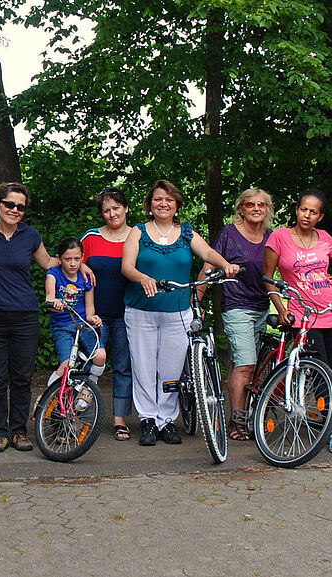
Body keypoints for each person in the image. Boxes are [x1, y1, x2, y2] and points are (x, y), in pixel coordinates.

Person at [122, 179, 238, 446]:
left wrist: (226, 264)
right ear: (150, 205)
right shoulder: (138, 232)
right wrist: (142, 277)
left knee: (172, 369)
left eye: (169, 200)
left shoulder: (186, 232)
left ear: (176, 206)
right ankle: (148, 420)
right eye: (158, 199)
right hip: (142, 311)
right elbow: (127, 267)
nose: (163, 204)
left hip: (178, 312)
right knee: (144, 367)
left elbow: (208, 252)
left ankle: (167, 421)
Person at [0, 182, 64, 453]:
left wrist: (77, 261)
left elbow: (48, 263)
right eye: (9, 204)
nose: (14, 210)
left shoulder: (30, 234)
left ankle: (19, 431)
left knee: (22, 377)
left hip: (25, 316)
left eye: (20, 207)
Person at [263, 189, 332, 453]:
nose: (307, 215)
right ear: (296, 210)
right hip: (303, 314)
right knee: (320, 366)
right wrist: (281, 308)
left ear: (320, 216)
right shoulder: (280, 237)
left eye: (313, 212)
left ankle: (326, 421)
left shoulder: (325, 238)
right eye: (303, 209)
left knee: (330, 371)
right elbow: (268, 278)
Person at [198, 189, 273, 441]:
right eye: (250, 204)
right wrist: (196, 301)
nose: (255, 208)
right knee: (246, 365)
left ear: (266, 209)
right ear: (241, 208)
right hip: (237, 305)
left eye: (261, 205)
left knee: (241, 363)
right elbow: (209, 266)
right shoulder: (229, 234)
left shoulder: (272, 237)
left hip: (263, 306)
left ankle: (236, 413)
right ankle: (238, 422)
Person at [81, 188, 134, 441]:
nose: (111, 213)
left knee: (123, 367)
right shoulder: (91, 238)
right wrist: (81, 265)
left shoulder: (138, 237)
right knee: (91, 364)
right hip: (95, 315)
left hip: (129, 314)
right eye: (106, 210)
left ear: (126, 208)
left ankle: (120, 420)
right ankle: (83, 417)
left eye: (116, 208)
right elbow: (69, 260)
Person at [45, 237, 106, 387]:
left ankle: (91, 384)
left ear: (82, 258)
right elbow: (49, 299)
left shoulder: (85, 278)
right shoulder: (53, 274)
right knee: (67, 363)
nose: (73, 263)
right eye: (68, 259)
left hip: (82, 325)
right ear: (59, 259)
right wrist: (55, 303)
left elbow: (90, 307)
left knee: (100, 356)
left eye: (77, 259)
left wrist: (93, 318)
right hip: (62, 326)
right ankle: (47, 396)